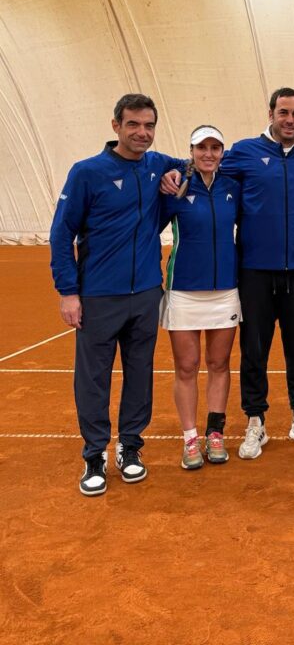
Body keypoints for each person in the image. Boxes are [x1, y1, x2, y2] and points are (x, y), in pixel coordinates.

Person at [50, 93, 184, 496]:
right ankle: (94, 455)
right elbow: (61, 234)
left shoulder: (158, 164)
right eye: (133, 125)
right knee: (93, 378)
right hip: (98, 296)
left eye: (149, 126)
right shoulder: (87, 172)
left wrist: (180, 176)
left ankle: (130, 447)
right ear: (115, 127)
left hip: (145, 293)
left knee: (140, 373)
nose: (142, 133)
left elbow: (199, 163)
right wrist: (68, 292)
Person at [217, 88, 294, 457]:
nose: (289, 119)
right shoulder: (243, 152)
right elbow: (205, 167)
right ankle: (256, 420)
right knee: (254, 349)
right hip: (253, 272)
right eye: (283, 112)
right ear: (270, 113)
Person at [160, 125, 241, 470]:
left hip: (225, 291)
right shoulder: (175, 188)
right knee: (187, 366)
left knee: (220, 364)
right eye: (201, 147)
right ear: (191, 151)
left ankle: (215, 433)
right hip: (183, 292)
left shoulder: (233, 188)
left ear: (223, 152)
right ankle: (190, 438)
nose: (208, 153)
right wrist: (176, 170)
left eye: (215, 147)